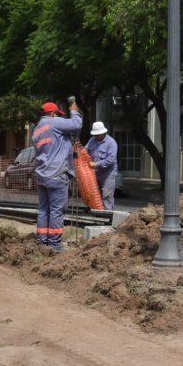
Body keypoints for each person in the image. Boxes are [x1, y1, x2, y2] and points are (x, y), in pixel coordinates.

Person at [31, 101, 83, 253]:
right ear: (53, 114)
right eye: (57, 115)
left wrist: (70, 152)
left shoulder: (37, 130)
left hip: (42, 175)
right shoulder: (54, 123)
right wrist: (74, 111)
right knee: (56, 210)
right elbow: (76, 125)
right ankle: (55, 245)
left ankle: (42, 241)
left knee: (43, 209)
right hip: (56, 174)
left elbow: (52, 149)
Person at [84, 121, 118, 211]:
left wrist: (96, 164)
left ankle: (108, 216)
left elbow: (111, 160)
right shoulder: (92, 140)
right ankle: (97, 213)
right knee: (95, 195)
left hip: (108, 173)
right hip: (95, 173)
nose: (96, 136)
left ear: (103, 133)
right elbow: (85, 151)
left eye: (97, 134)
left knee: (107, 195)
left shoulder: (111, 143)